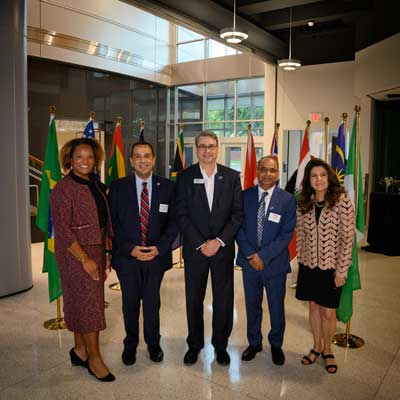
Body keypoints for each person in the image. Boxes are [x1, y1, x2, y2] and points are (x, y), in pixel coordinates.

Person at [175, 130, 243, 366]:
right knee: (194, 299)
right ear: (196, 148)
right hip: (196, 252)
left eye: (211, 146)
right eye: (202, 146)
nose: (207, 150)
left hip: (222, 251)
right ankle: (194, 345)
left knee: (223, 300)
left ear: (218, 148)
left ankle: (221, 345)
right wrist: (201, 243)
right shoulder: (184, 177)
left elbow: (237, 215)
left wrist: (219, 241)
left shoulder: (232, 177)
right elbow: (181, 214)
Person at [50, 138, 115, 382]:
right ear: (70, 160)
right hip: (75, 254)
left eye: (89, 157)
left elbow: (102, 222)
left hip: (95, 249)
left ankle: (79, 350)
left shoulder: (95, 184)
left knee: (81, 302)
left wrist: (105, 253)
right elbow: (64, 230)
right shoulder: (63, 189)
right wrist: (85, 259)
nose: (85, 161)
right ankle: (94, 358)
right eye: (79, 157)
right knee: (90, 306)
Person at [109, 141, 178, 366]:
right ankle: (130, 345)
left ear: (154, 159)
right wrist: (130, 249)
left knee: (152, 303)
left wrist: (159, 248)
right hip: (127, 258)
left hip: (155, 259)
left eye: (147, 155)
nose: (142, 160)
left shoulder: (168, 187)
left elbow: (174, 223)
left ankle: (153, 344)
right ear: (131, 161)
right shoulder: (118, 187)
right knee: (129, 304)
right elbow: (113, 224)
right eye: (137, 156)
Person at [295, 158, 355, 374]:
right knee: (313, 307)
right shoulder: (304, 202)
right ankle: (317, 346)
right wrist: (300, 262)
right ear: (308, 180)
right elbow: (300, 234)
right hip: (309, 266)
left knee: (329, 313)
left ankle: (328, 349)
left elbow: (348, 239)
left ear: (329, 177)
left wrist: (341, 271)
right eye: (314, 176)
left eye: (322, 175)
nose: (319, 180)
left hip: (332, 267)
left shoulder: (342, 201)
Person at [236, 156, 296, 366]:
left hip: (275, 264)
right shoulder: (244, 197)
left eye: (272, 170)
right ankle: (254, 343)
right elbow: (238, 227)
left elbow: (286, 234)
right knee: (252, 305)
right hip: (249, 262)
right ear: (257, 172)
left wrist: (264, 256)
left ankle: (276, 344)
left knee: (276, 306)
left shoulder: (287, 200)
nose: (267, 174)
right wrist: (252, 255)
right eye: (263, 169)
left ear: (278, 173)